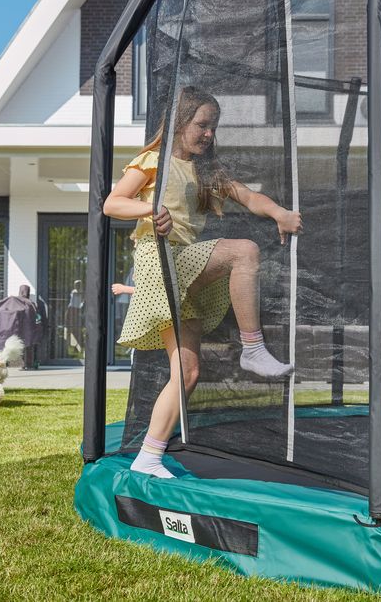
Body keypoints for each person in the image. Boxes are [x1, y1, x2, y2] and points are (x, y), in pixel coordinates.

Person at [102, 85, 302, 478]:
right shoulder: (153, 161)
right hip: (159, 259)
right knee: (243, 251)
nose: (209, 134)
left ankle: (148, 457)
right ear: (180, 121)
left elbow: (247, 196)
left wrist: (278, 212)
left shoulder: (206, 170)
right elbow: (112, 203)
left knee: (188, 373)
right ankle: (252, 348)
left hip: (184, 263)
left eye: (213, 128)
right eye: (203, 125)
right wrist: (149, 207)